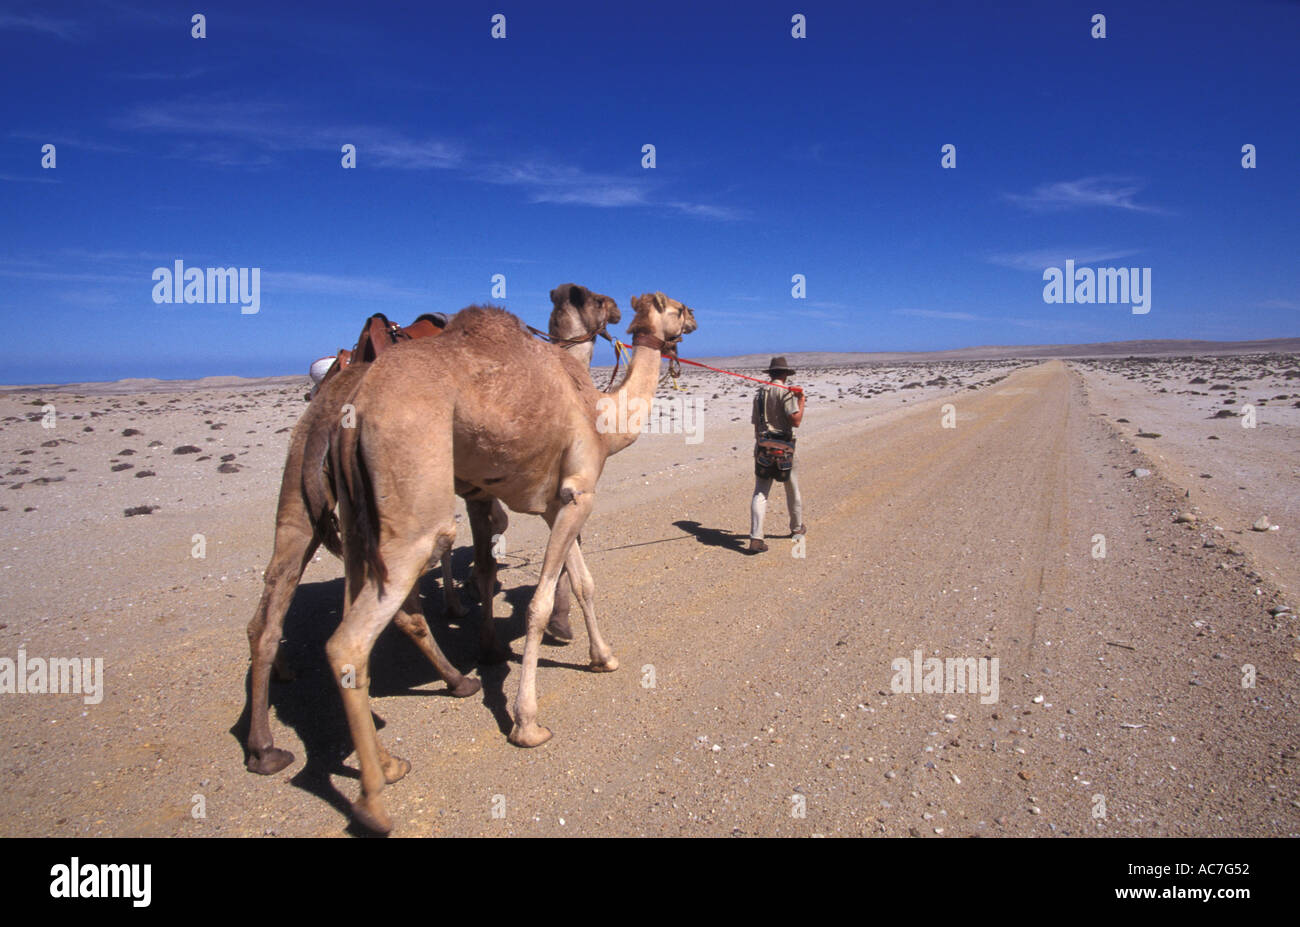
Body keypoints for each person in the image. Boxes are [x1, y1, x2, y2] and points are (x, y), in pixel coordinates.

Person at [748, 356, 806, 553]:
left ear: (771, 373)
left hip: (763, 446)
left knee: (760, 492)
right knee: (792, 489)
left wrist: (760, 445)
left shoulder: (759, 394)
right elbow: (795, 420)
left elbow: (756, 425)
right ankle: (797, 528)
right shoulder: (786, 393)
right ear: (784, 374)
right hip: (785, 448)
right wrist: (801, 399)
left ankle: (756, 536)